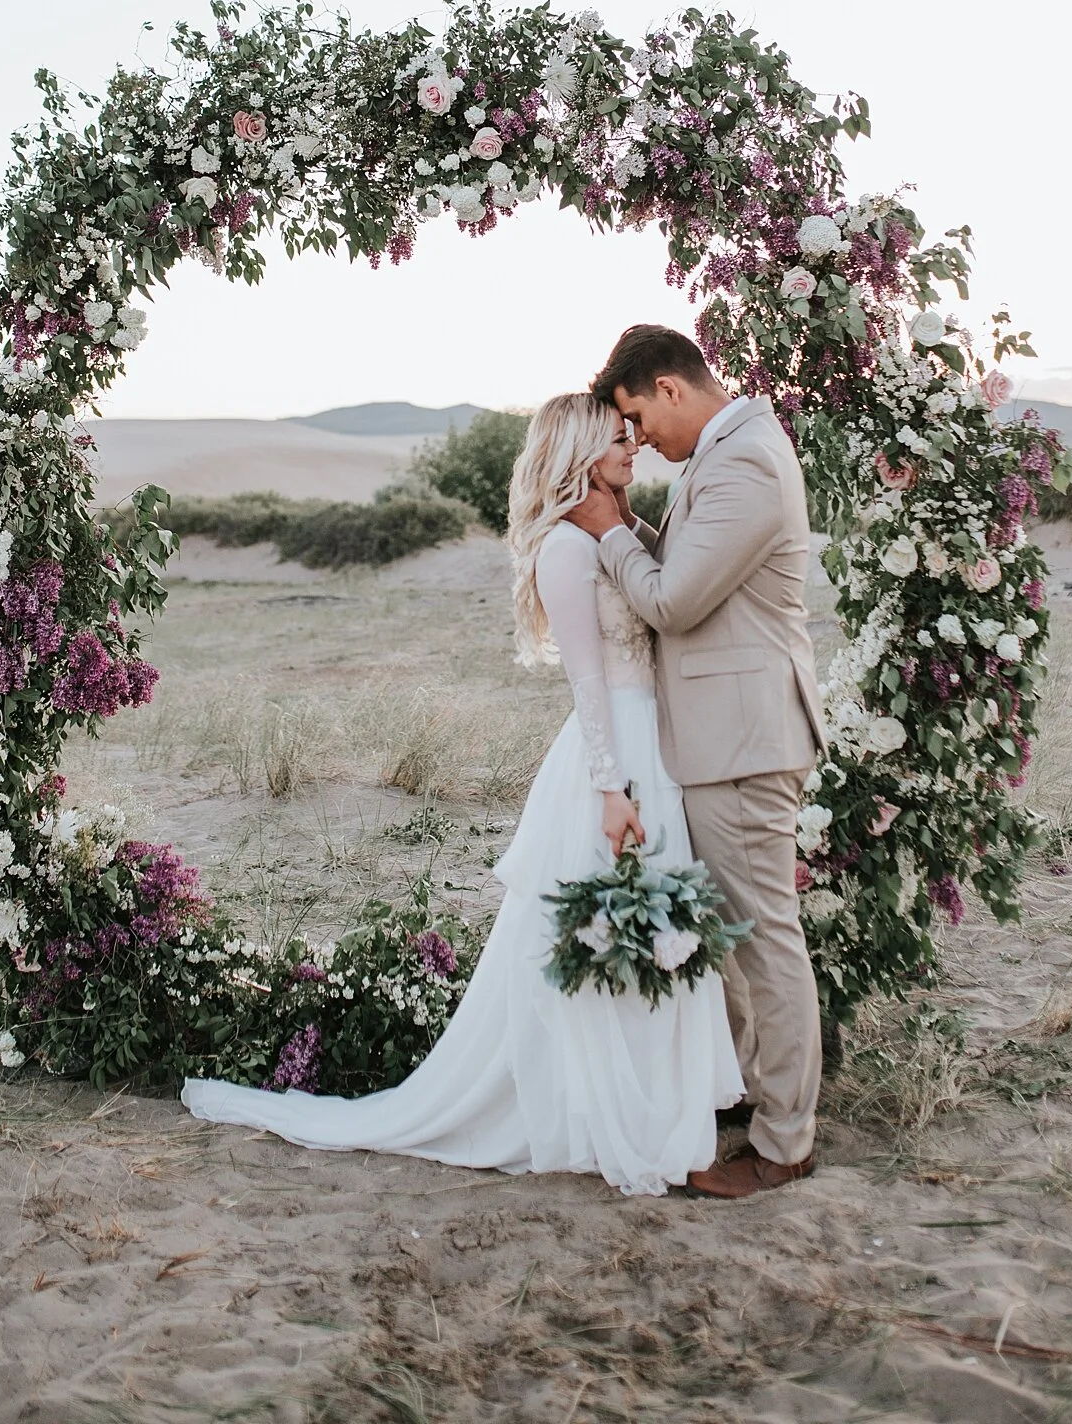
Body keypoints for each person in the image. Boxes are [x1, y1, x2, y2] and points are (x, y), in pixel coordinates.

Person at [181, 393, 740, 1195]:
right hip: (611, 762)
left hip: (654, 749)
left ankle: (648, 1106)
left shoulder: (612, 535)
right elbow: (587, 683)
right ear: (579, 451)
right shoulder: (565, 551)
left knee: (653, 936)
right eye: (618, 440)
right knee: (605, 938)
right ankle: (599, 1116)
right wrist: (610, 789)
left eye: (631, 436)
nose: (633, 449)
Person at [565, 324, 825, 1200]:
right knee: (742, 942)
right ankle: (757, 1112)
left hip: (745, 738)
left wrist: (606, 532)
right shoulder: (724, 456)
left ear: (670, 387)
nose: (638, 440)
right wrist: (631, 522)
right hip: (723, 736)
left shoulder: (745, 459)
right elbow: (688, 563)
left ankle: (785, 1143)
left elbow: (673, 602)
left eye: (636, 418)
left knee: (764, 945)